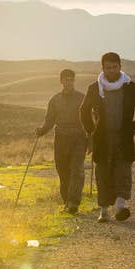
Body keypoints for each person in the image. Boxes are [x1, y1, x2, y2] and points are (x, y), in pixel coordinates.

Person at [80, 52, 135, 222]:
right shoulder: (94, 88)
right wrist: (90, 131)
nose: (111, 71)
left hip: (124, 137)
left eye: (115, 67)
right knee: (102, 171)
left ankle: (120, 205)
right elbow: (83, 111)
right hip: (102, 138)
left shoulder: (130, 87)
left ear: (120, 66)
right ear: (102, 68)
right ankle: (104, 210)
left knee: (123, 168)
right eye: (108, 68)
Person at [36, 69, 87, 214]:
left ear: (74, 81)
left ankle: (73, 203)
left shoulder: (83, 98)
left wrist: (91, 139)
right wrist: (42, 130)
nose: (69, 82)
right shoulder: (55, 100)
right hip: (61, 138)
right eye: (66, 79)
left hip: (79, 137)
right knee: (63, 171)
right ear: (61, 81)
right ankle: (66, 202)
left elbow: (89, 120)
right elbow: (49, 120)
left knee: (77, 170)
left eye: (71, 79)